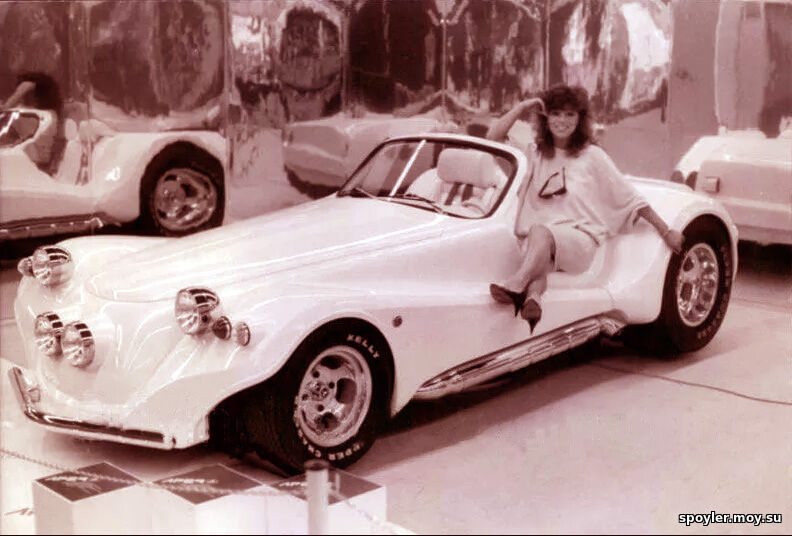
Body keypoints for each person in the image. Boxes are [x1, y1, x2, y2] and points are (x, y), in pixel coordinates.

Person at [487, 85, 684, 332]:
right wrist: (523, 107)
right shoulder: (535, 154)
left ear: (580, 119)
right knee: (538, 255)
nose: (562, 120)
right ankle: (533, 298)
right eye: (556, 113)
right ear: (546, 118)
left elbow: (630, 197)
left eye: (570, 114)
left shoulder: (593, 156)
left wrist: (666, 231)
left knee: (539, 233)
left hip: (579, 240)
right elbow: (493, 138)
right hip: (540, 244)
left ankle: (517, 283)